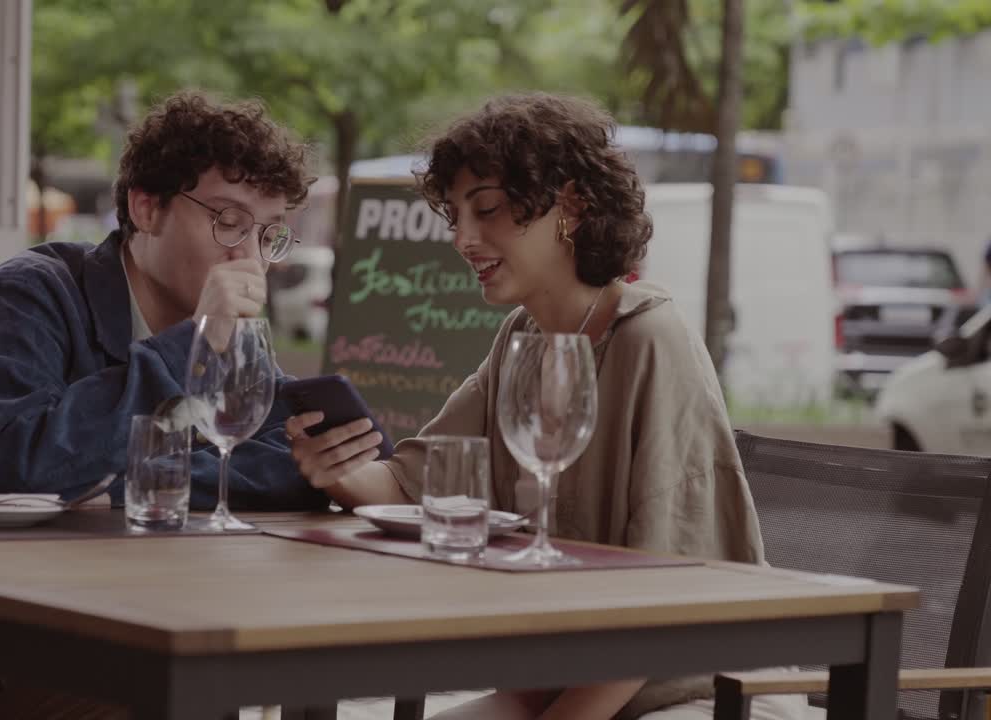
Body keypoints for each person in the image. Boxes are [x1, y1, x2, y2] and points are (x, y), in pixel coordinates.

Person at [0, 91, 328, 720]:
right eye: (228, 221)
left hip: (69, 644)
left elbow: (285, 461)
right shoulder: (28, 295)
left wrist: (130, 485)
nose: (251, 256)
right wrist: (194, 345)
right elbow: (30, 463)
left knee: (192, 702)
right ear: (145, 207)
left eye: (269, 234)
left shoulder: (234, 342)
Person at [285, 93, 807, 720]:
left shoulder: (651, 340)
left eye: (488, 211)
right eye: (454, 216)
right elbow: (413, 484)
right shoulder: (522, 339)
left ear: (572, 207)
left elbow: (668, 603)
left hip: (700, 690)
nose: (462, 239)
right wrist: (335, 468)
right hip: (558, 681)